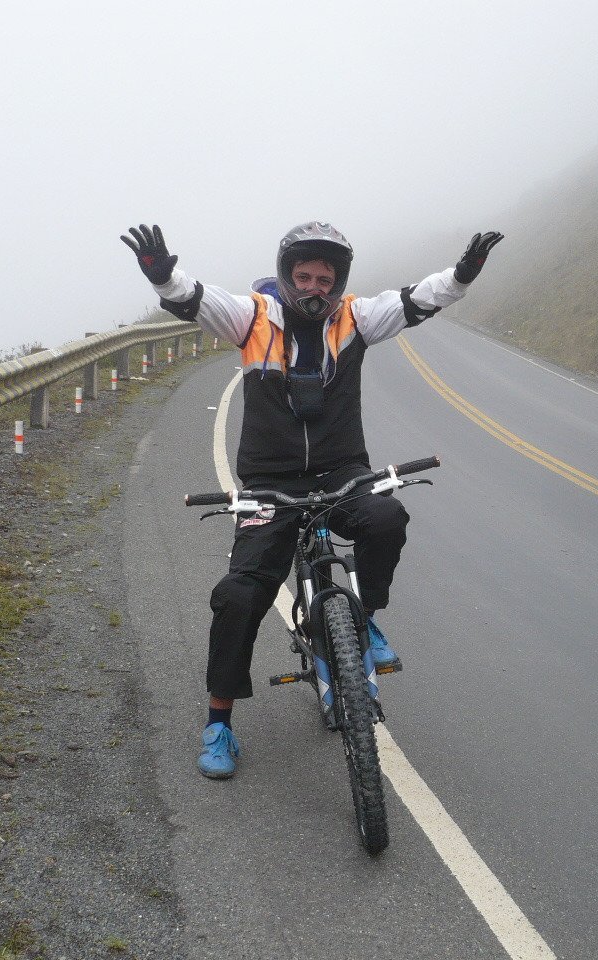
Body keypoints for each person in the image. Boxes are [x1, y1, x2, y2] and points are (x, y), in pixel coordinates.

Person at [120, 221, 503, 778]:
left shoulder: (356, 318)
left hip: (342, 470)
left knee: (386, 516)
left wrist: (462, 274)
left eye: (326, 279)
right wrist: (163, 276)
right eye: (304, 277)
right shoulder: (251, 318)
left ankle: (364, 619)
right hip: (268, 481)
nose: (314, 288)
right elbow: (195, 298)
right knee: (237, 596)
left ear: (339, 281)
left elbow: (419, 300)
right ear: (286, 276)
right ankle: (219, 722)